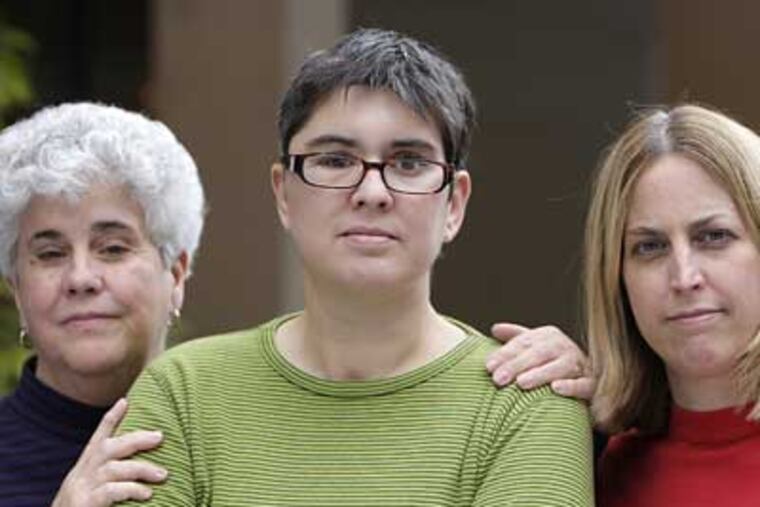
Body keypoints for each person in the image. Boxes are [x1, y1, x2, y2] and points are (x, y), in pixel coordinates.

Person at [118, 28, 593, 506]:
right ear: (284, 193)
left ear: (454, 204)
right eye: (335, 159)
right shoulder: (185, 392)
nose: (372, 192)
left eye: (408, 162)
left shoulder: (527, 401)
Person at [0, 102, 205, 507]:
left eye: (112, 248)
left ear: (176, 274)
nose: (80, 279)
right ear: (18, 291)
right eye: (51, 253)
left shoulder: (237, 445)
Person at [584, 104, 760, 506]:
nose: (684, 278)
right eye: (650, 247)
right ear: (616, 278)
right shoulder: (596, 469)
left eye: (714, 236)